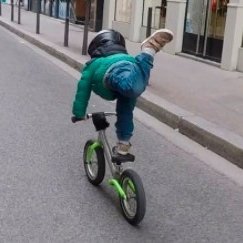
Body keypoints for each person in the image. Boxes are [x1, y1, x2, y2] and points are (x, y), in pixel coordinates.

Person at [72, 28, 173, 157]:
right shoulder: (127, 57)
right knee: (125, 111)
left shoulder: (93, 64)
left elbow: (83, 90)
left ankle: (149, 49)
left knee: (131, 88)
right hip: (130, 68)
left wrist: (79, 113)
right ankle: (124, 142)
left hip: (113, 74)